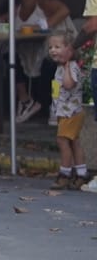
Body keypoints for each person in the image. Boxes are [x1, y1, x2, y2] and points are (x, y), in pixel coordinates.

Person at [46, 25, 88, 189]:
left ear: (69, 49)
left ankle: (64, 173)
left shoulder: (71, 67)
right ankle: (81, 173)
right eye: (51, 47)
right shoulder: (60, 67)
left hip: (71, 112)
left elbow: (69, 85)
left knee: (62, 141)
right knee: (73, 142)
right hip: (66, 112)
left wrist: (67, 69)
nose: (53, 50)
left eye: (57, 47)